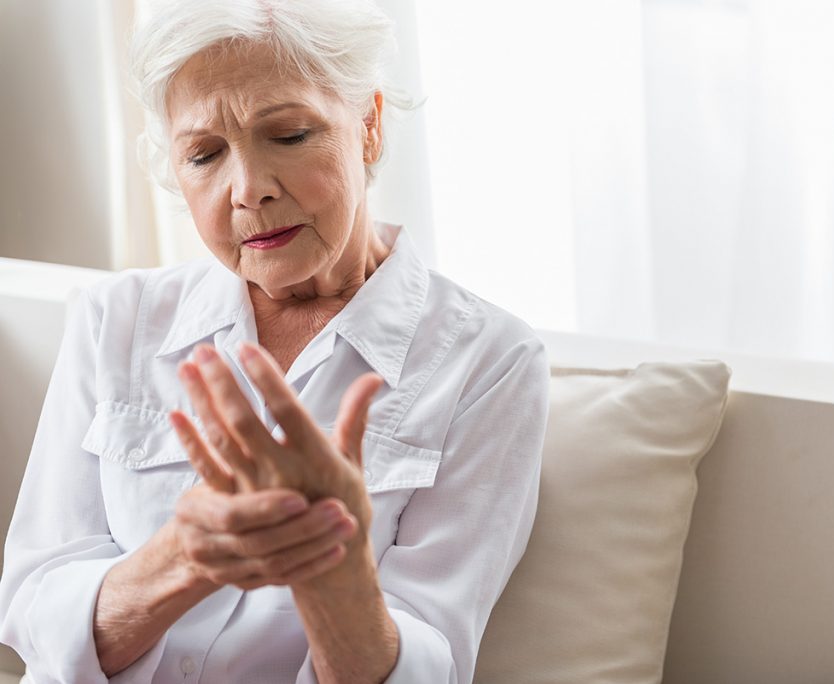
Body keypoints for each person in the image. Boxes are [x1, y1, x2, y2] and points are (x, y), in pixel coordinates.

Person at [0, 1, 549, 682]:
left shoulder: (488, 361)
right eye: (203, 154)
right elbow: (33, 611)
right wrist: (184, 555)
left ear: (370, 127)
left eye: (288, 135)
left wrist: (335, 575)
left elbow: (430, 663)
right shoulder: (118, 317)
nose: (249, 189)